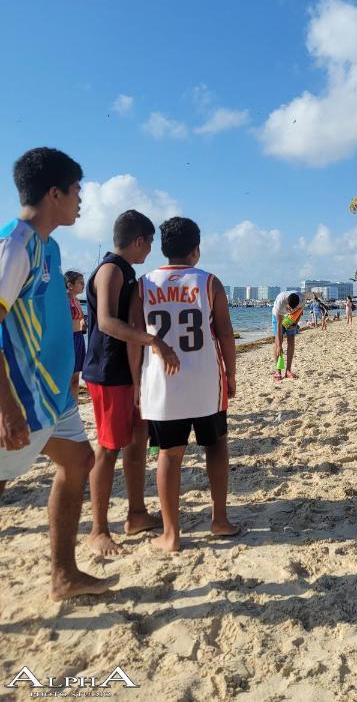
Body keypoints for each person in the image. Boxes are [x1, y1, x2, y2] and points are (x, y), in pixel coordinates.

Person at [0, 147, 109, 600]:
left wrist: (69, 377)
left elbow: (52, 319)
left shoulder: (51, 245)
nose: (81, 199)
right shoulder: (15, 244)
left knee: (80, 461)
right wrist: (6, 410)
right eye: (77, 190)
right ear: (54, 193)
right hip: (20, 397)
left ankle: (64, 576)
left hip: (54, 396)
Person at [128, 217, 238, 552]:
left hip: (163, 386)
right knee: (216, 445)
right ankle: (219, 519)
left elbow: (134, 338)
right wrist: (230, 374)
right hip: (206, 382)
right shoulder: (209, 282)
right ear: (196, 250)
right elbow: (225, 333)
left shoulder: (143, 284)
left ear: (163, 248)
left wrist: (136, 383)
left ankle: (171, 534)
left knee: (168, 455)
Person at [83, 210, 180, 556]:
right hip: (108, 372)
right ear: (138, 240)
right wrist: (153, 341)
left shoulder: (129, 273)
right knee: (108, 448)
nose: (151, 249)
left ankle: (136, 513)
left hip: (129, 372)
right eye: (150, 242)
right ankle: (97, 529)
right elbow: (107, 322)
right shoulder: (111, 269)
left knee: (137, 443)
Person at [64, 270, 86, 405]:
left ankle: (75, 406)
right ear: (70, 284)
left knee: (76, 376)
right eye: (80, 283)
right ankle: (65, 407)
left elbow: (81, 317)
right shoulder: (63, 299)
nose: (83, 285)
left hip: (78, 337)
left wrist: (83, 323)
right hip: (68, 338)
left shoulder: (76, 300)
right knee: (67, 375)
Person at [272, 290, 302, 380]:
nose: (291, 310)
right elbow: (279, 324)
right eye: (289, 308)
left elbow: (300, 311)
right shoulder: (280, 303)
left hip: (291, 317)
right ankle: (278, 371)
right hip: (278, 317)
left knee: (291, 338)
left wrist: (295, 323)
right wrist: (280, 345)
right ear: (286, 303)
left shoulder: (301, 299)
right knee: (278, 342)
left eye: (293, 308)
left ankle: (288, 371)